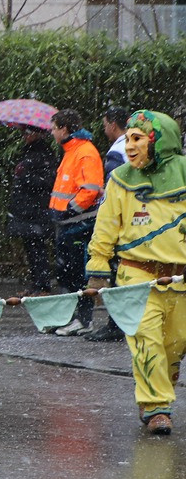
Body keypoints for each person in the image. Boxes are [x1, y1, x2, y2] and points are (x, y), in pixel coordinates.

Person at [85, 110, 186, 435]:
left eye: (137, 138)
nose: (129, 145)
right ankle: (157, 407)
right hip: (136, 277)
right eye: (127, 138)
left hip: (181, 280)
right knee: (146, 342)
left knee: (175, 343)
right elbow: (106, 226)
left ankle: (157, 389)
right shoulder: (121, 180)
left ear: (159, 141)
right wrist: (98, 269)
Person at [48, 108, 104, 336]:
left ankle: (82, 320)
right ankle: (74, 319)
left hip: (79, 224)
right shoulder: (73, 151)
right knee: (68, 273)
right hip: (69, 224)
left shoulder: (84, 152)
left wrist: (69, 210)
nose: (52, 133)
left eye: (54, 128)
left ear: (64, 128)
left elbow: (90, 189)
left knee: (76, 275)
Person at [86, 106, 130, 342]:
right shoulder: (136, 145)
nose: (104, 129)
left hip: (119, 221)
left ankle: (115, 325)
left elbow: (114, 191)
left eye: (105, 124)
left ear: (113, 124)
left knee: (115, 274)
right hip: (134, 220)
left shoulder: (118, 150)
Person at [6, 126, 56, 297]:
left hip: (36, 211)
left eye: (27, 133)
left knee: (38, 248)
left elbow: (49, 181)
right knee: (31, 248)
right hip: (26, 210)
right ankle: (36, 284)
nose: (24, 136)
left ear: (37, 133)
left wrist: (26, 177)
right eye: (23, 133)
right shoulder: (28, 152)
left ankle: (43, 285)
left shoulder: (44, 153)